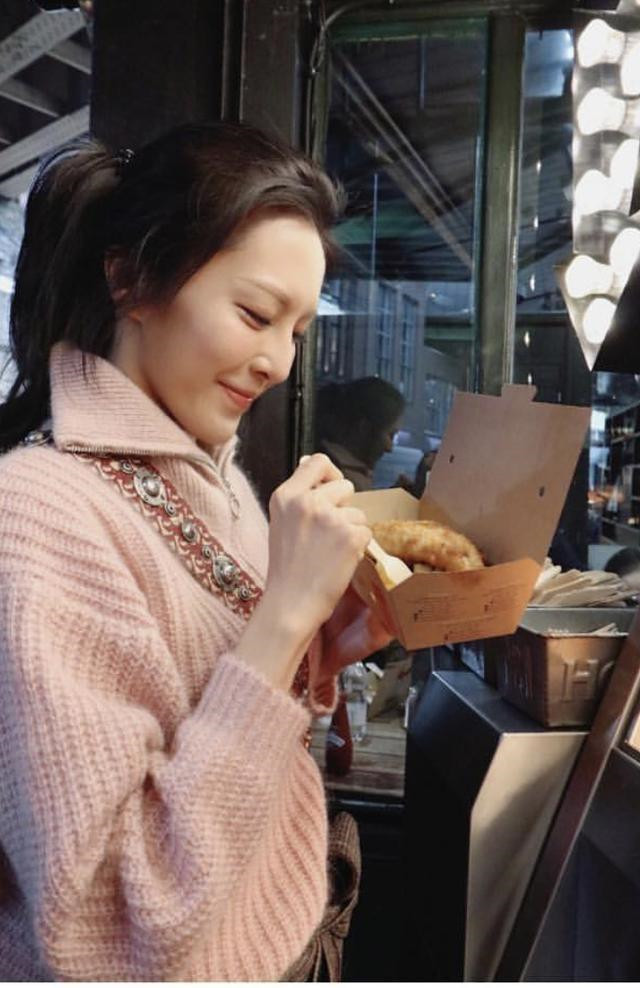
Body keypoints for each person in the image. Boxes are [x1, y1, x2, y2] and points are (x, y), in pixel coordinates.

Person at [0, 123, 393, 981]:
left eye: (297, 330)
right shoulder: (37, 512)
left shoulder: (223, 483)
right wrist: (283, 615)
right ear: (130, 279)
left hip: (289, 934)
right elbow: (106, 922)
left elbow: (220, 726)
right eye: (255, 315)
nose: (278, 362)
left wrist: (315, 651)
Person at [314, 376, 405, 491]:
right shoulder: (343, 478)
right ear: (363, 428)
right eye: (390, 435)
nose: (389, 448)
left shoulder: (331, 465)